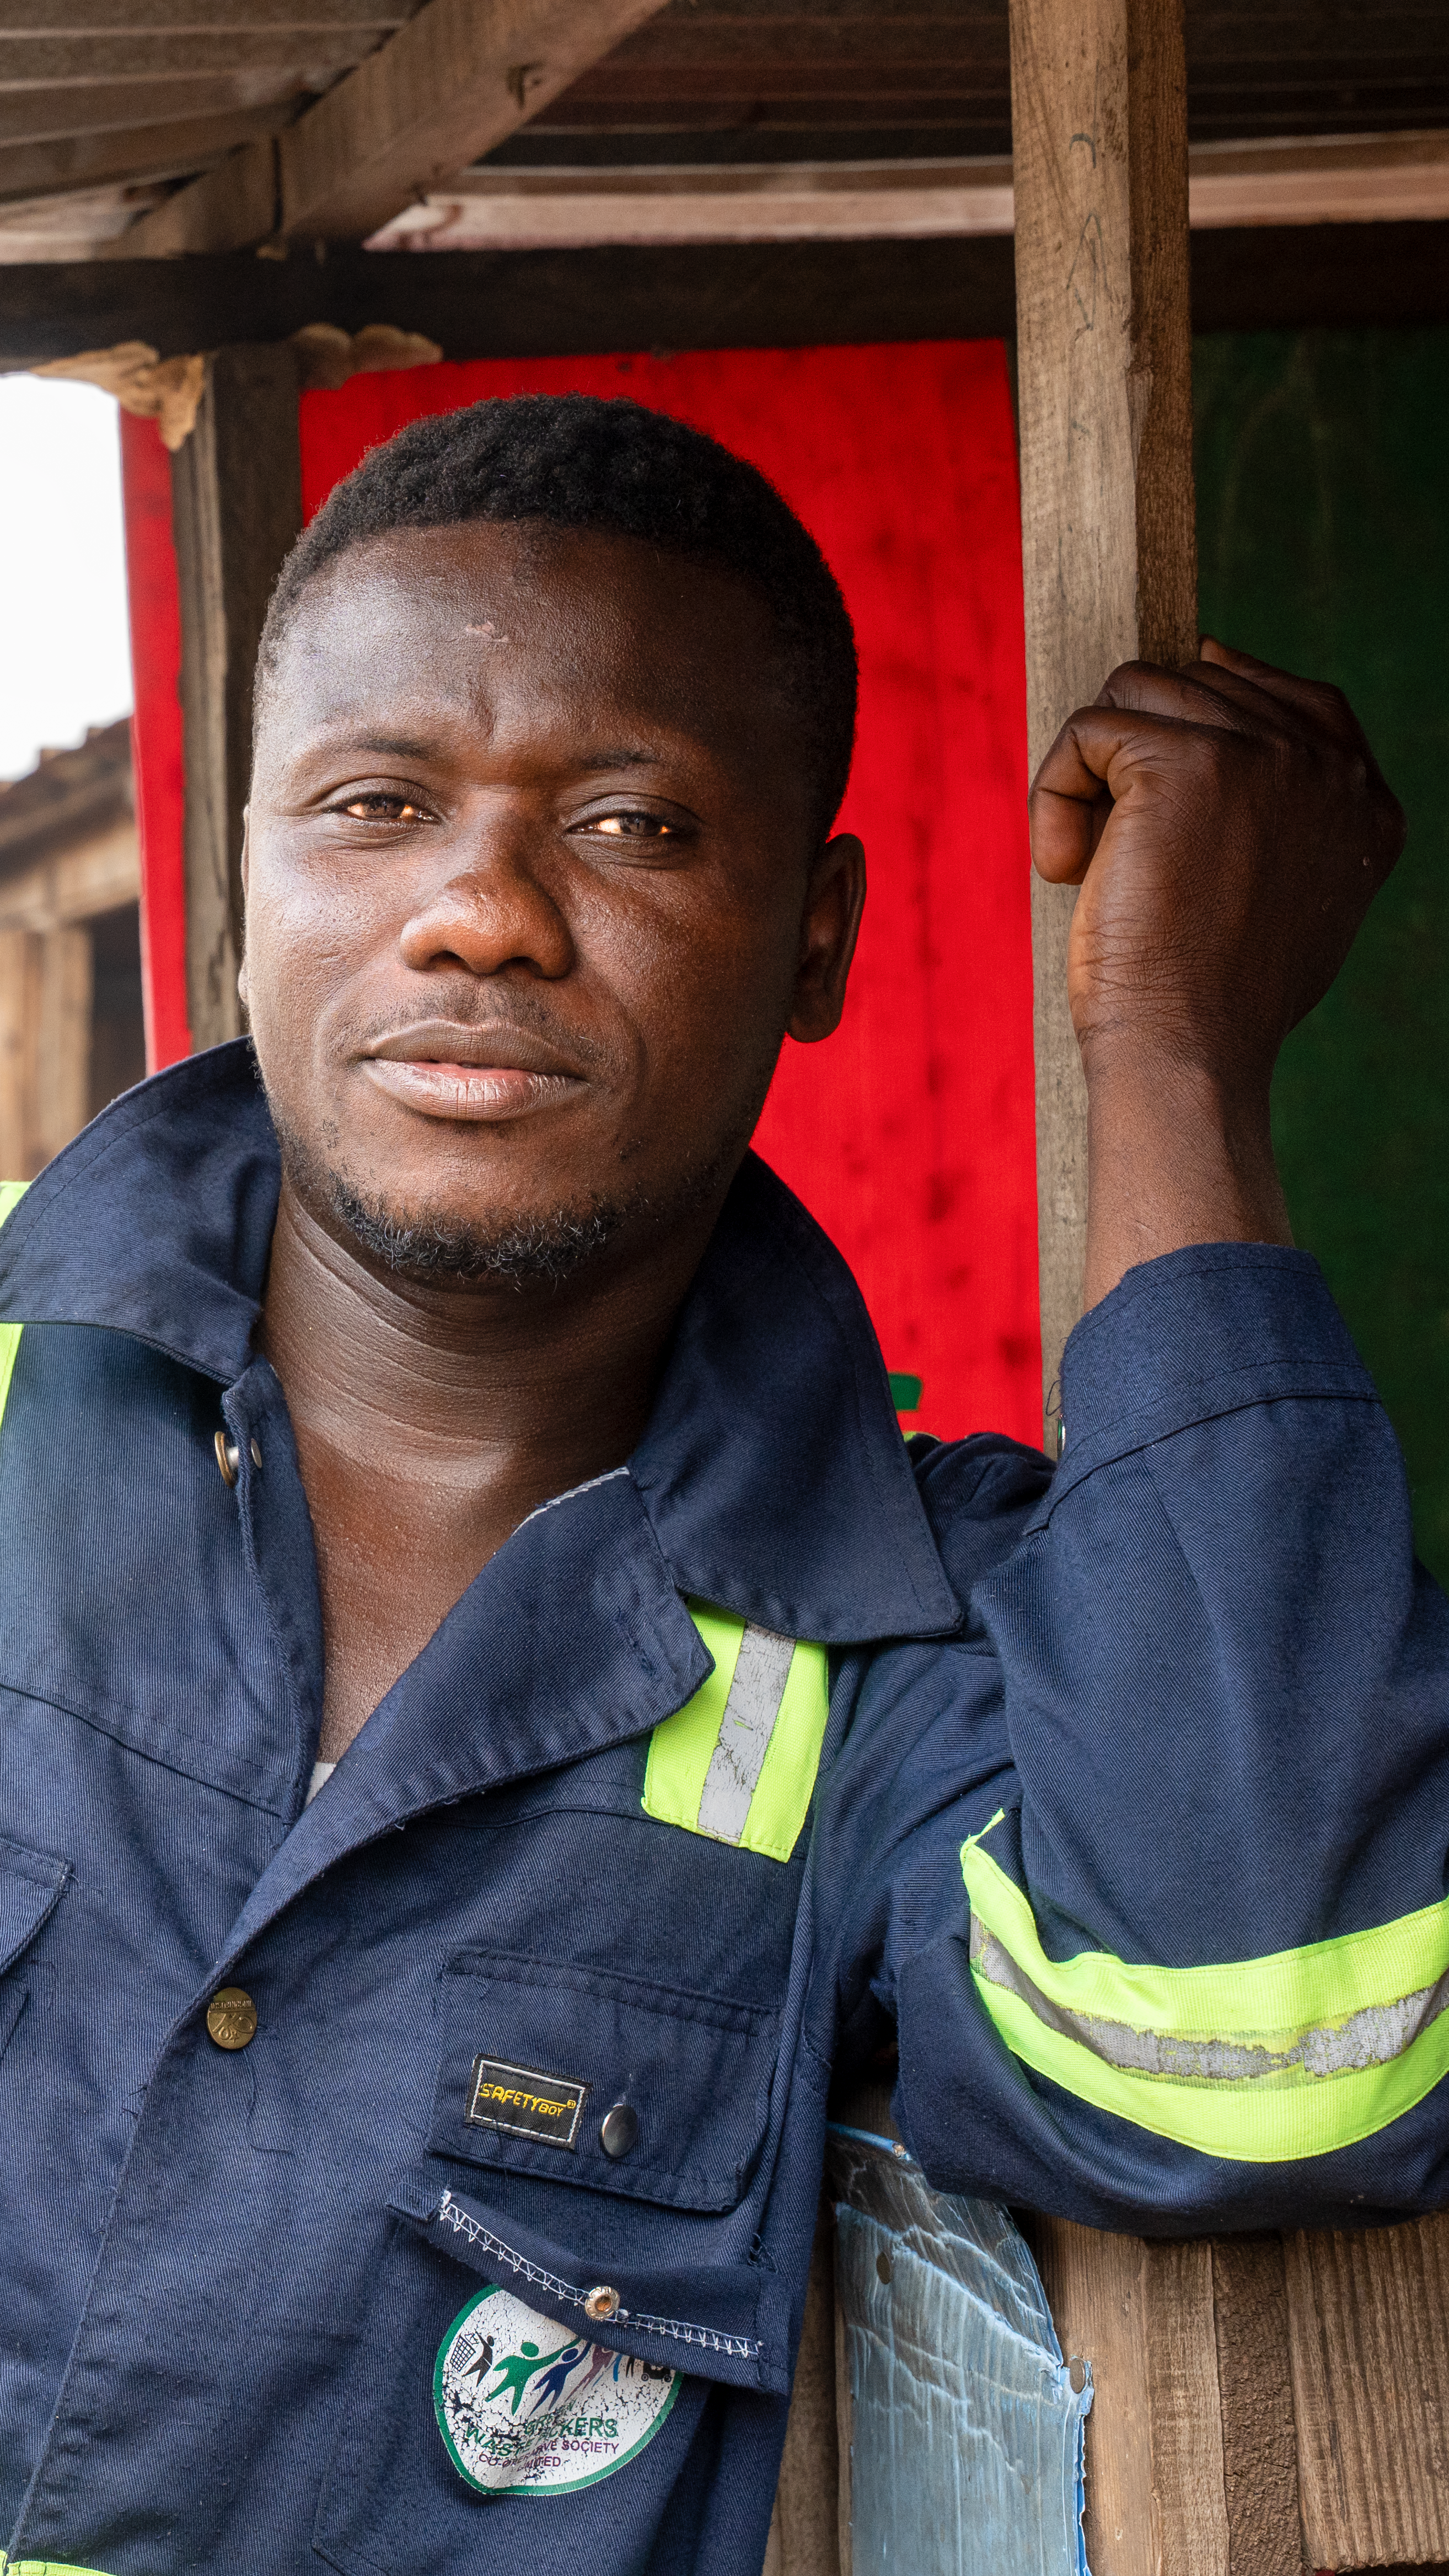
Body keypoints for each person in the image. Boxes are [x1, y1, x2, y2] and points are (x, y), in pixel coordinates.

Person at [0, 390, 1434, 2576]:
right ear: (246, 894)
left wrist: (1168, 1047)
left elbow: (1258, 2044)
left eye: (634, 827)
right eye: (375, 805)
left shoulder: (898, 1651)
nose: (479, 909)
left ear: (821, 935)